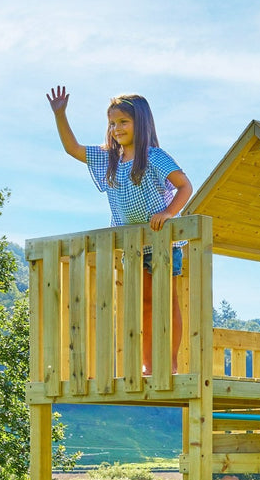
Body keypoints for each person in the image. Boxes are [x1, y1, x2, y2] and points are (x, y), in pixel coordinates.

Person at [46, 86, 192, 374]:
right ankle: (149, 364)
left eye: (123, 122)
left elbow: (185, 186)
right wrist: (60, 114)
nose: (116, 128)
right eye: (112, 123)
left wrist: (168, 212)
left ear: (141, 123)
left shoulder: (154, 156)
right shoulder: (110, 159)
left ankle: (170, 364)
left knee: (166, 298)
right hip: (133, 244)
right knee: (144, 303)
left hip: (162, 240)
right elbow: (72, 148)